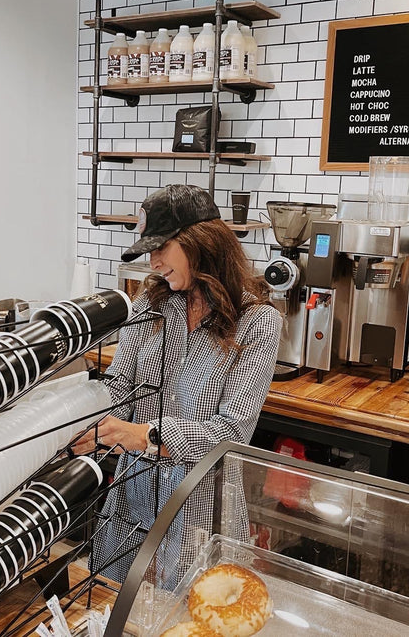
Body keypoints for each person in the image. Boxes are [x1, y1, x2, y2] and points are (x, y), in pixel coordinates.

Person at [75, 183, 282, 589]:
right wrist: (82, 421)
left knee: (193, 619)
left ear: (200, 243)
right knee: (117, 609)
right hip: (133, 497)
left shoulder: (258, 323)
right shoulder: (150, 306)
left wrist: (143, 434)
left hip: (200, 510)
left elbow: (231, 434)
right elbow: (121, 385)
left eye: (160, 249)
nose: (152, 263)